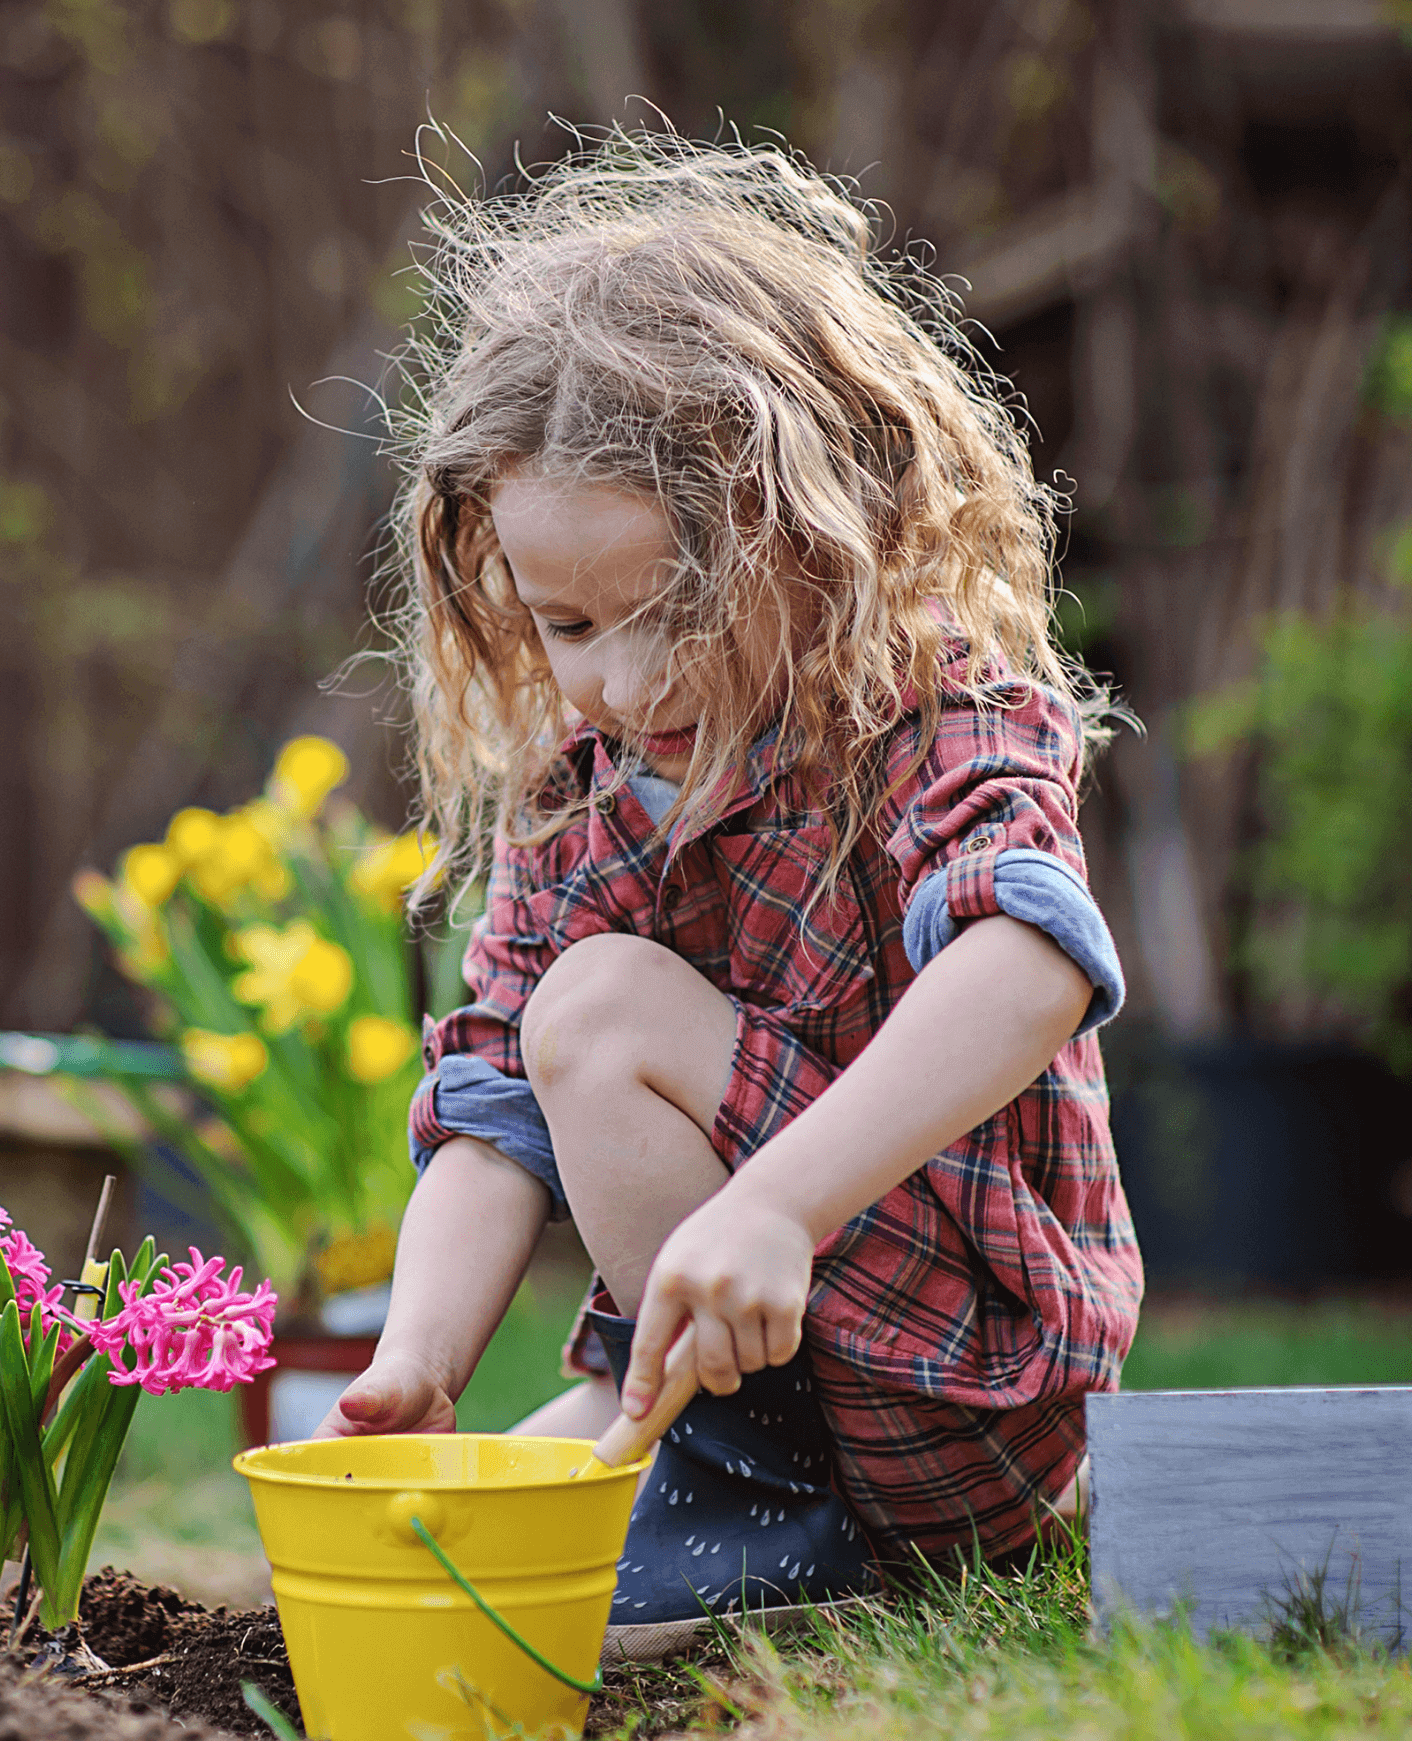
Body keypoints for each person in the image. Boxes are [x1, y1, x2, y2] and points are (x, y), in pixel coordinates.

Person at [315, 129, 1143, 1655]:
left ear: (819, 533)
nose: (622, 679)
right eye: (565, 621)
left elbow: (1030, 959)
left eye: (675, 609)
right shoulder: (584, 784)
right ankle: (726, 1470)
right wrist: (417, 1357)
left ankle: (766, 1511)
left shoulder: (936, 711)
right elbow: (493, 1091)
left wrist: (774, 1203)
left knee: (604, 1007)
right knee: (468, 1531)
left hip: (967, 1394)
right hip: (763, 1358)